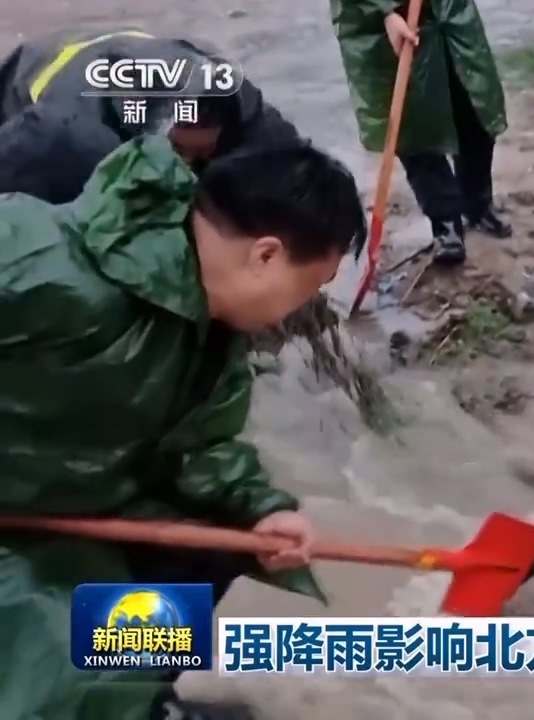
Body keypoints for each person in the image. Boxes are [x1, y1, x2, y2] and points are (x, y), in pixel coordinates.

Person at [0, 135, 366, 720]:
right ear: (266, 255)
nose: (302, 308)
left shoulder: (211, 328)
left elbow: (199, 444)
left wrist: (260, 509)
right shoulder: (40, 255)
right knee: (59, 657)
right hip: (17, 526)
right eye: (310, 288)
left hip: (69, 505)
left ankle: (145, 696)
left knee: (208, 546)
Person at [0, 29, 302, 203]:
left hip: (123, 50)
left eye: (201, 156)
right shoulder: (74, 135)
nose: (187, 167)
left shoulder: (233, 98)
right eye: (178, 152)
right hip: (25, 86)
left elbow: (289, 158)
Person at [333, 0, 510, 266]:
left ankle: (478, 204)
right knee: (414, 128)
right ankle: (446, 223)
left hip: (450, 13)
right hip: (381, 26)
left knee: (474, 108)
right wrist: (386, 12)